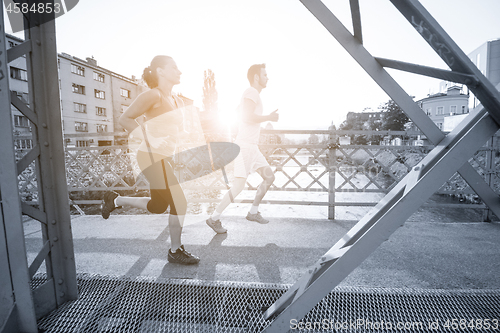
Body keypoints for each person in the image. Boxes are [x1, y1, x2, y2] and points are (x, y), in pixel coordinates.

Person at [100, 55, 200, 265]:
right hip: (150, 157)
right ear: (160, 71)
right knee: (179, 201)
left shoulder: (177, 99)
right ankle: (175, 250)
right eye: (174, 67)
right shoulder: (153, 95)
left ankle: (114, 200)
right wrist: (149, 137)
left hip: (166, 157)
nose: (180, 71)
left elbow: (175, 130)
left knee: (158, 205)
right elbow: (124, 118)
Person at [206, 64, 279, 234]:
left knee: (269, 177)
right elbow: (246, 116)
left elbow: (239, 113)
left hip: (252, 147)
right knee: (238, 187)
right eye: (265, 74)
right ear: (256, 77)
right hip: (245, 147)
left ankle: (253, 212)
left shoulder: (251, 95)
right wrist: (269, 117)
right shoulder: (251, 92)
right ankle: (214, 218)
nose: (267, 77)